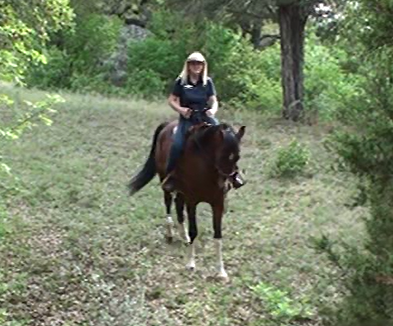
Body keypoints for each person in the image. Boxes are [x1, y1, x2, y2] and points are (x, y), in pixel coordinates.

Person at [162, 51, 245, 192]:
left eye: (199, 63)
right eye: (193, 63)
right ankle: (172, 176)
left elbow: (214, 100)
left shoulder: (207, 82)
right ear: (188, 65)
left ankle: (233, 174)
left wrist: (213, 110)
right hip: (188, 118)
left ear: (203, 65)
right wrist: (181, 110)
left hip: (205, 117)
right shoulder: (181, 82)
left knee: (226, 140)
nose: (196, 66)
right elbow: (171, 100)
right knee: (177, 144)